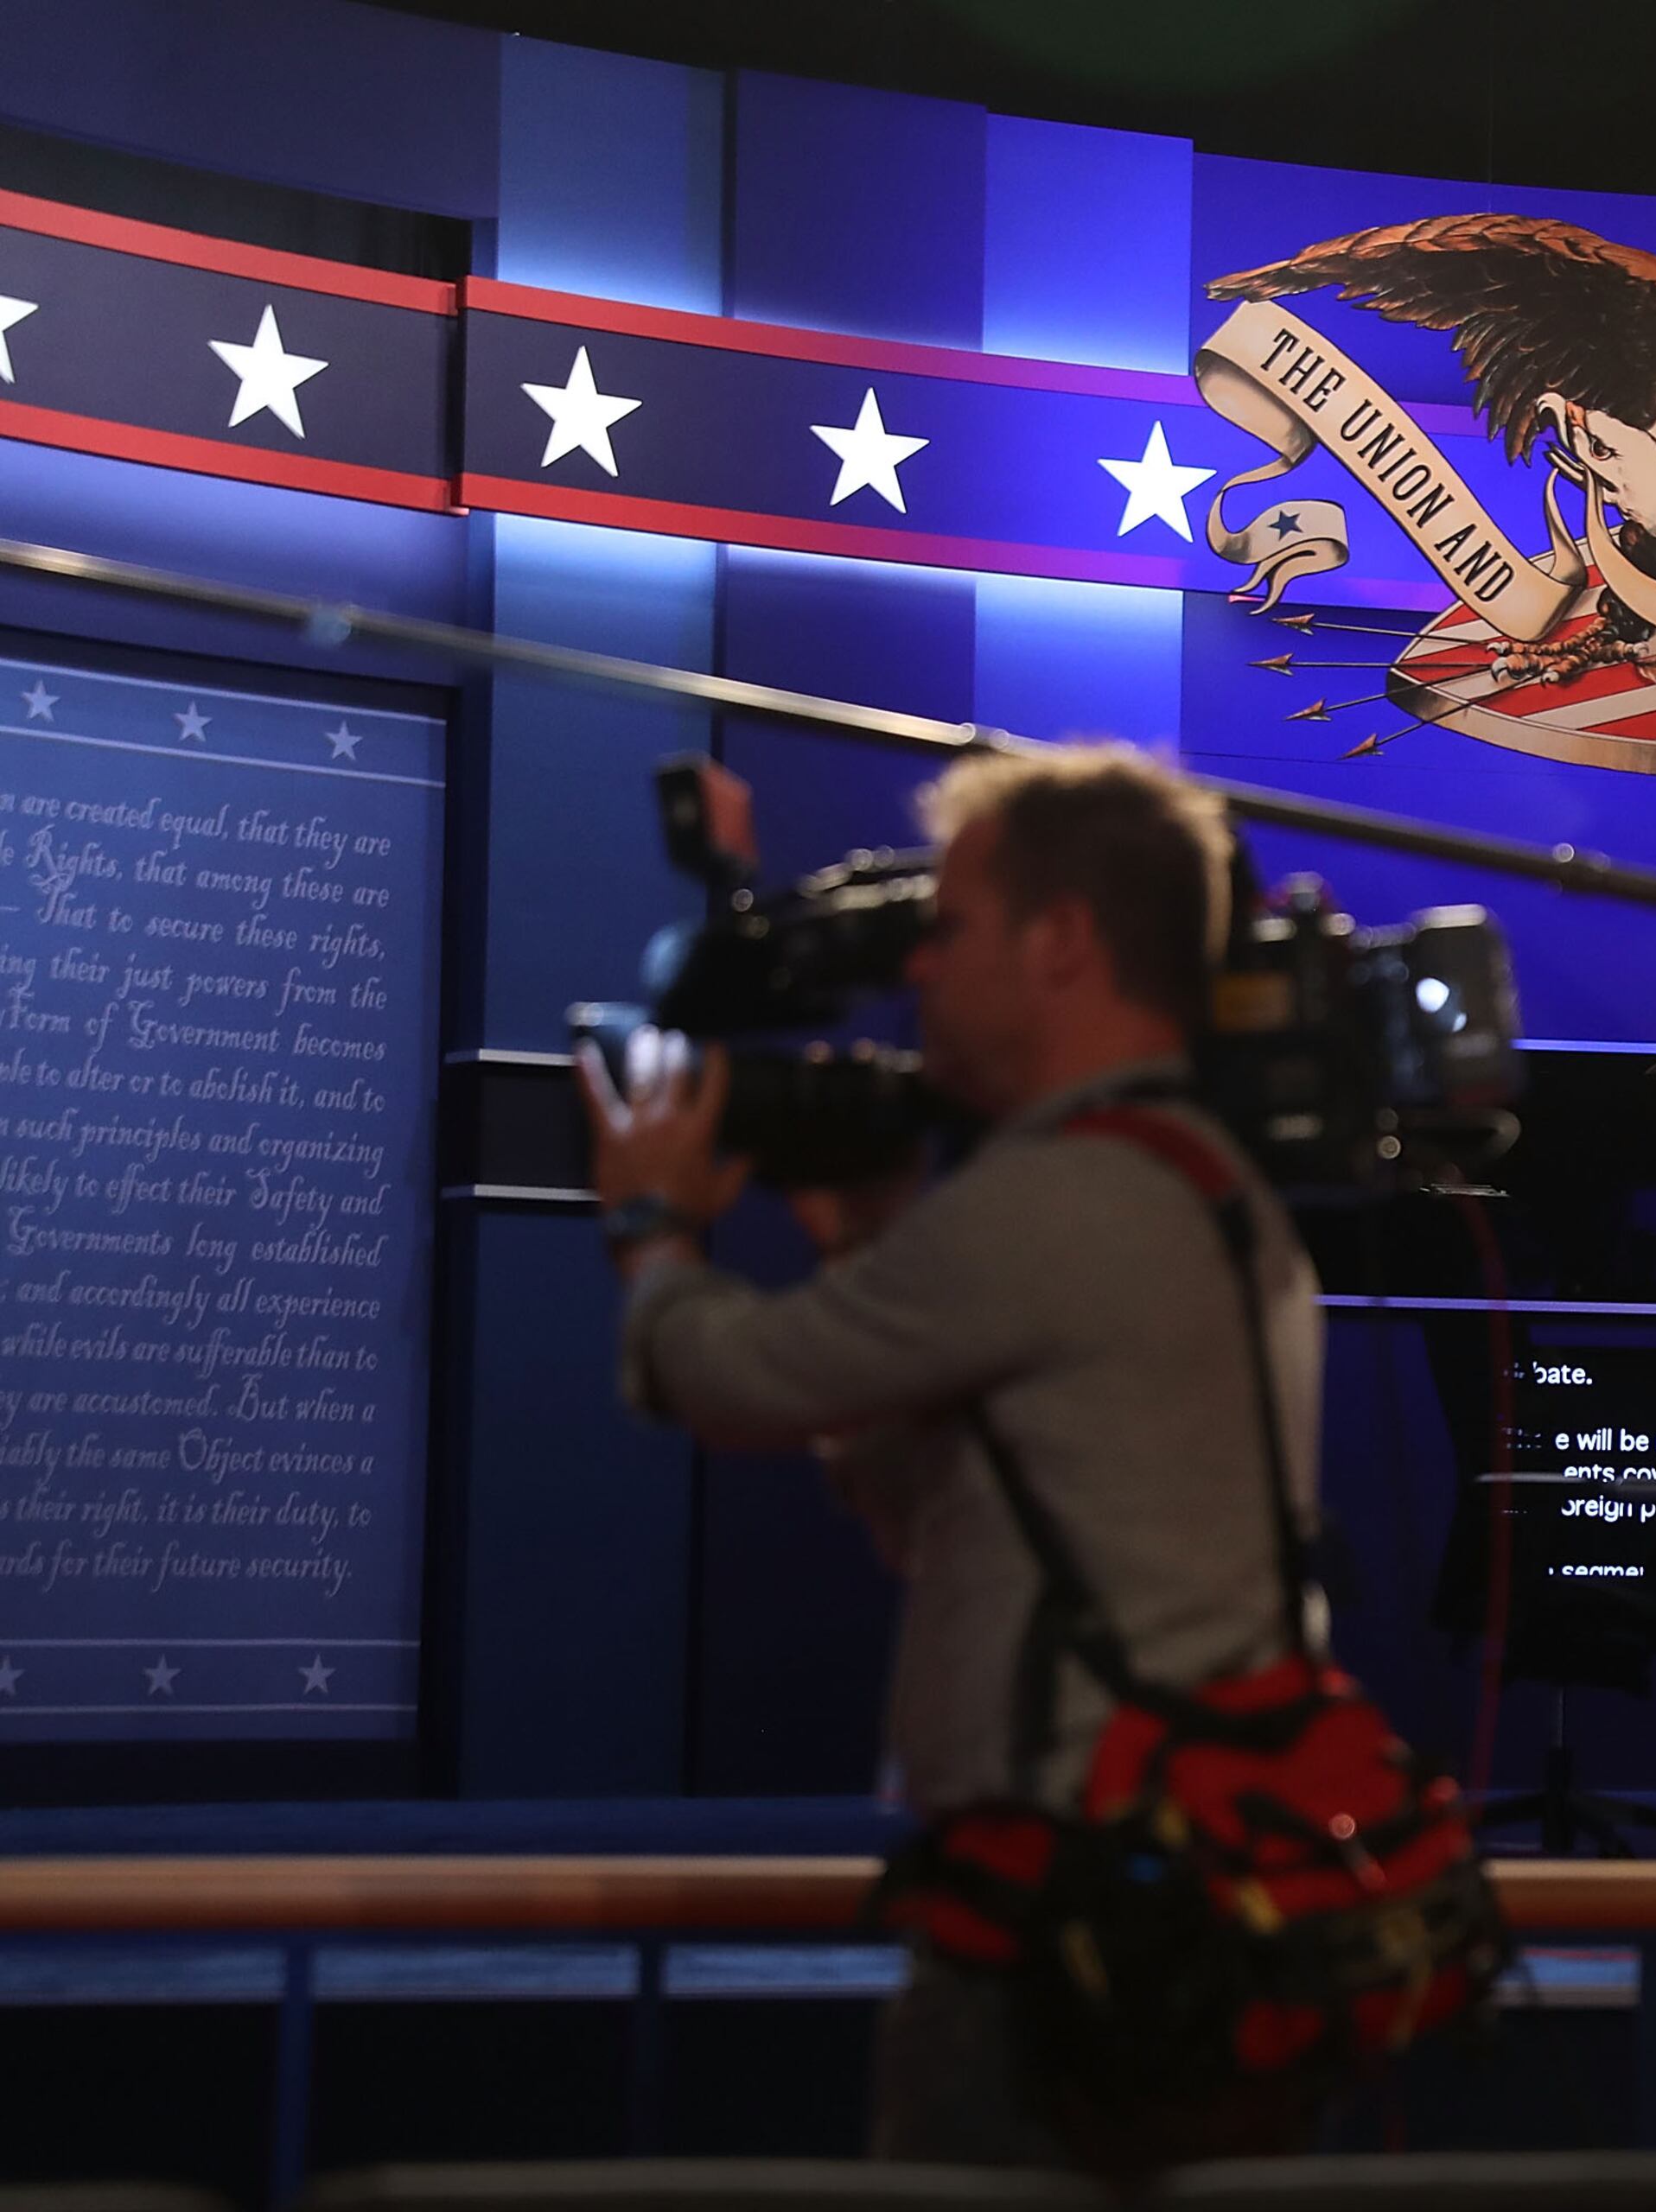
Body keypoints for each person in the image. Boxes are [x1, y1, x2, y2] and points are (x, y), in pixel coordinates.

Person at [576, 742, 1326, 2177]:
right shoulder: (1208, 1187)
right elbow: (944, 1523)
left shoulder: (1060, 1198)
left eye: (950, 928)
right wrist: (863, 1241)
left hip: (1063, 1941)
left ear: (1063, 944)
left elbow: (731, 1382)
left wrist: (652, 1232)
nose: (916, 971)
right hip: (1193, 1913)